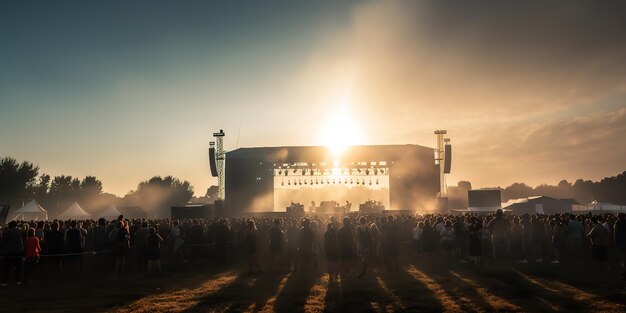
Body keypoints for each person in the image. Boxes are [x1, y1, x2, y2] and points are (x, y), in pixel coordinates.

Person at [1, 221, 24, 286]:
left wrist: (2, 251)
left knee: (6, 268)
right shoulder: (19, 231)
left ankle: (5, 282)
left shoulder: (6, 232)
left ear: (9, 226)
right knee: (17, 267)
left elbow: (3, 243)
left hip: (8, 252)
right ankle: (18, 281)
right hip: (18, 252)